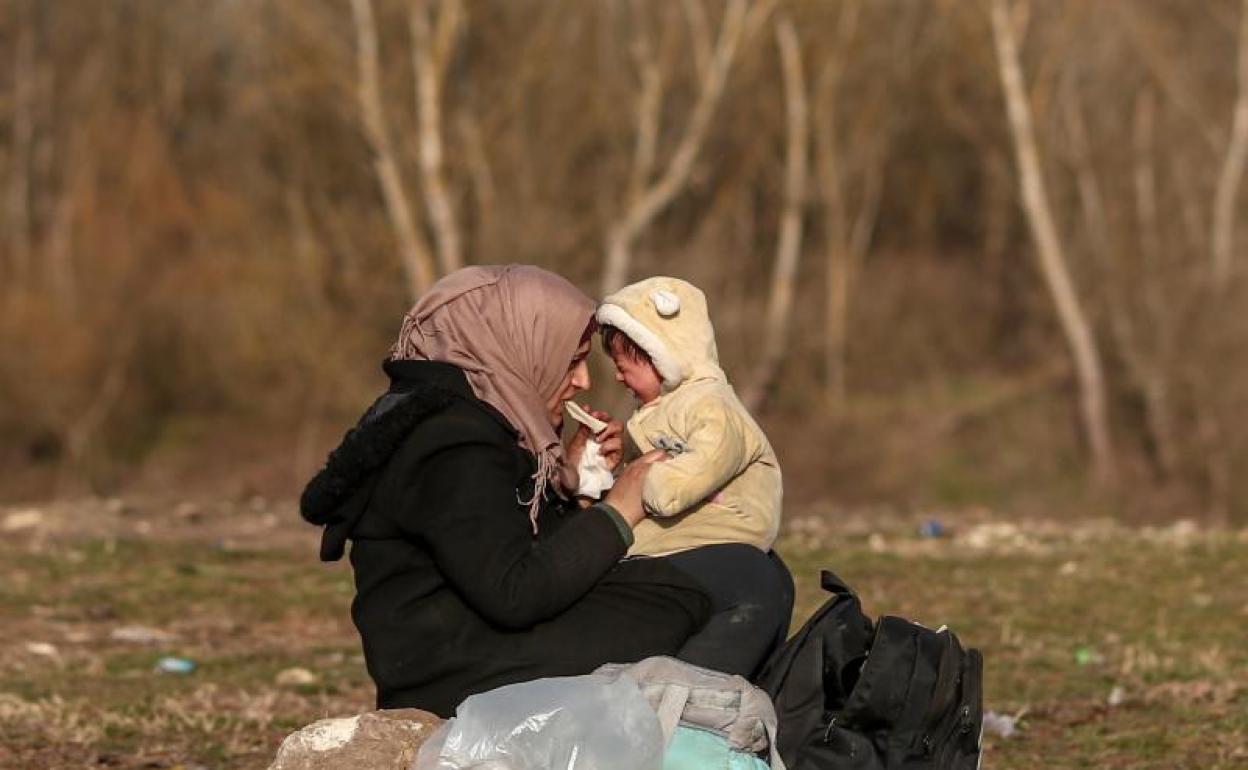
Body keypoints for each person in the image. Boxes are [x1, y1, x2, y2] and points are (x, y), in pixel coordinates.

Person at [300, 265, 712, 718]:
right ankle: (689, 736)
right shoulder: (449, 443)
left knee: (707, 576)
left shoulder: (475, 422)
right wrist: (619, 510)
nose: (583, 381)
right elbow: (515, 591)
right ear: (518, 348)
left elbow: (510, 549)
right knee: (705, 592)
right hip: (457, 676)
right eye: (570, 360)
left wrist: (577, 489)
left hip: (475, 649)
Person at [596, 276, 792, 677]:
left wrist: (640, 482)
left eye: (624, 366)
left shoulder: (711, 406)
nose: (618, 378)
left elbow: (683, 477)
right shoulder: (664, 409)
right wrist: (618, 466)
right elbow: (650, 465)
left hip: (718, 534)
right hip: (680, 539)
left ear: (661, 355)